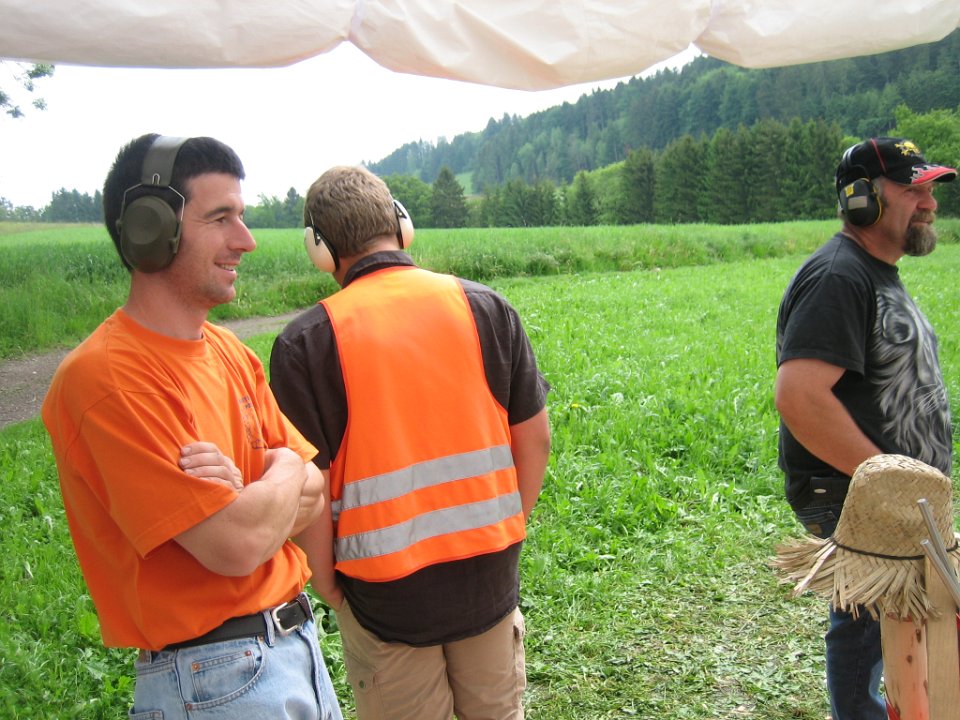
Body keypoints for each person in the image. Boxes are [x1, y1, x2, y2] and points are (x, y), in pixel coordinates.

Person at [41, 133, 343, 719]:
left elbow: (314, 495)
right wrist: (285, 468)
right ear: (151, 229)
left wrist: (255, 490)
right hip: (214, 680)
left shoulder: (231, 353)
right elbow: (238, 544)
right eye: (221, 218)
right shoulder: (108, 379)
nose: (246, 240)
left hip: (294, 650)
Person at [269, 165, 551, 720]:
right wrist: (508, 524)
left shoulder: (306, 343)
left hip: (383, 602)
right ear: (402, 224)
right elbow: (535, 440)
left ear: (319, 249)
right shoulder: (486, 307)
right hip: (489, 579)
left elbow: (309, 489)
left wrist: (328, 584)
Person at [774, 136, 956, 719]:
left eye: (930, 190)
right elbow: (800, 397)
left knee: (888, 630)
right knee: (870, 629)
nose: (930, 203)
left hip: (891, 493)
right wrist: (887, 483)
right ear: (862, 200)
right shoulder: (839, 277)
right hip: (855, 491)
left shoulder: (873, 272)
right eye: (912, 189)